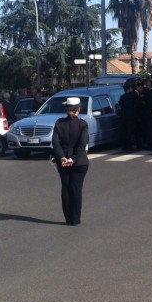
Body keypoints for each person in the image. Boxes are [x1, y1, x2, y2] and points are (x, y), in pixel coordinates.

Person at [51, 96, 89, 226]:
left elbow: (55, 143)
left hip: (62, 161)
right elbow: (82, 145)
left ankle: (68, 219)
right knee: (76, 189)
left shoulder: (59, 123)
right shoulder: (82, 124)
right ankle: (75, 219)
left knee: (66, 188)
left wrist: (62, 157)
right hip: (79, 162)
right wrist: (72, 159)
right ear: (79, 109)